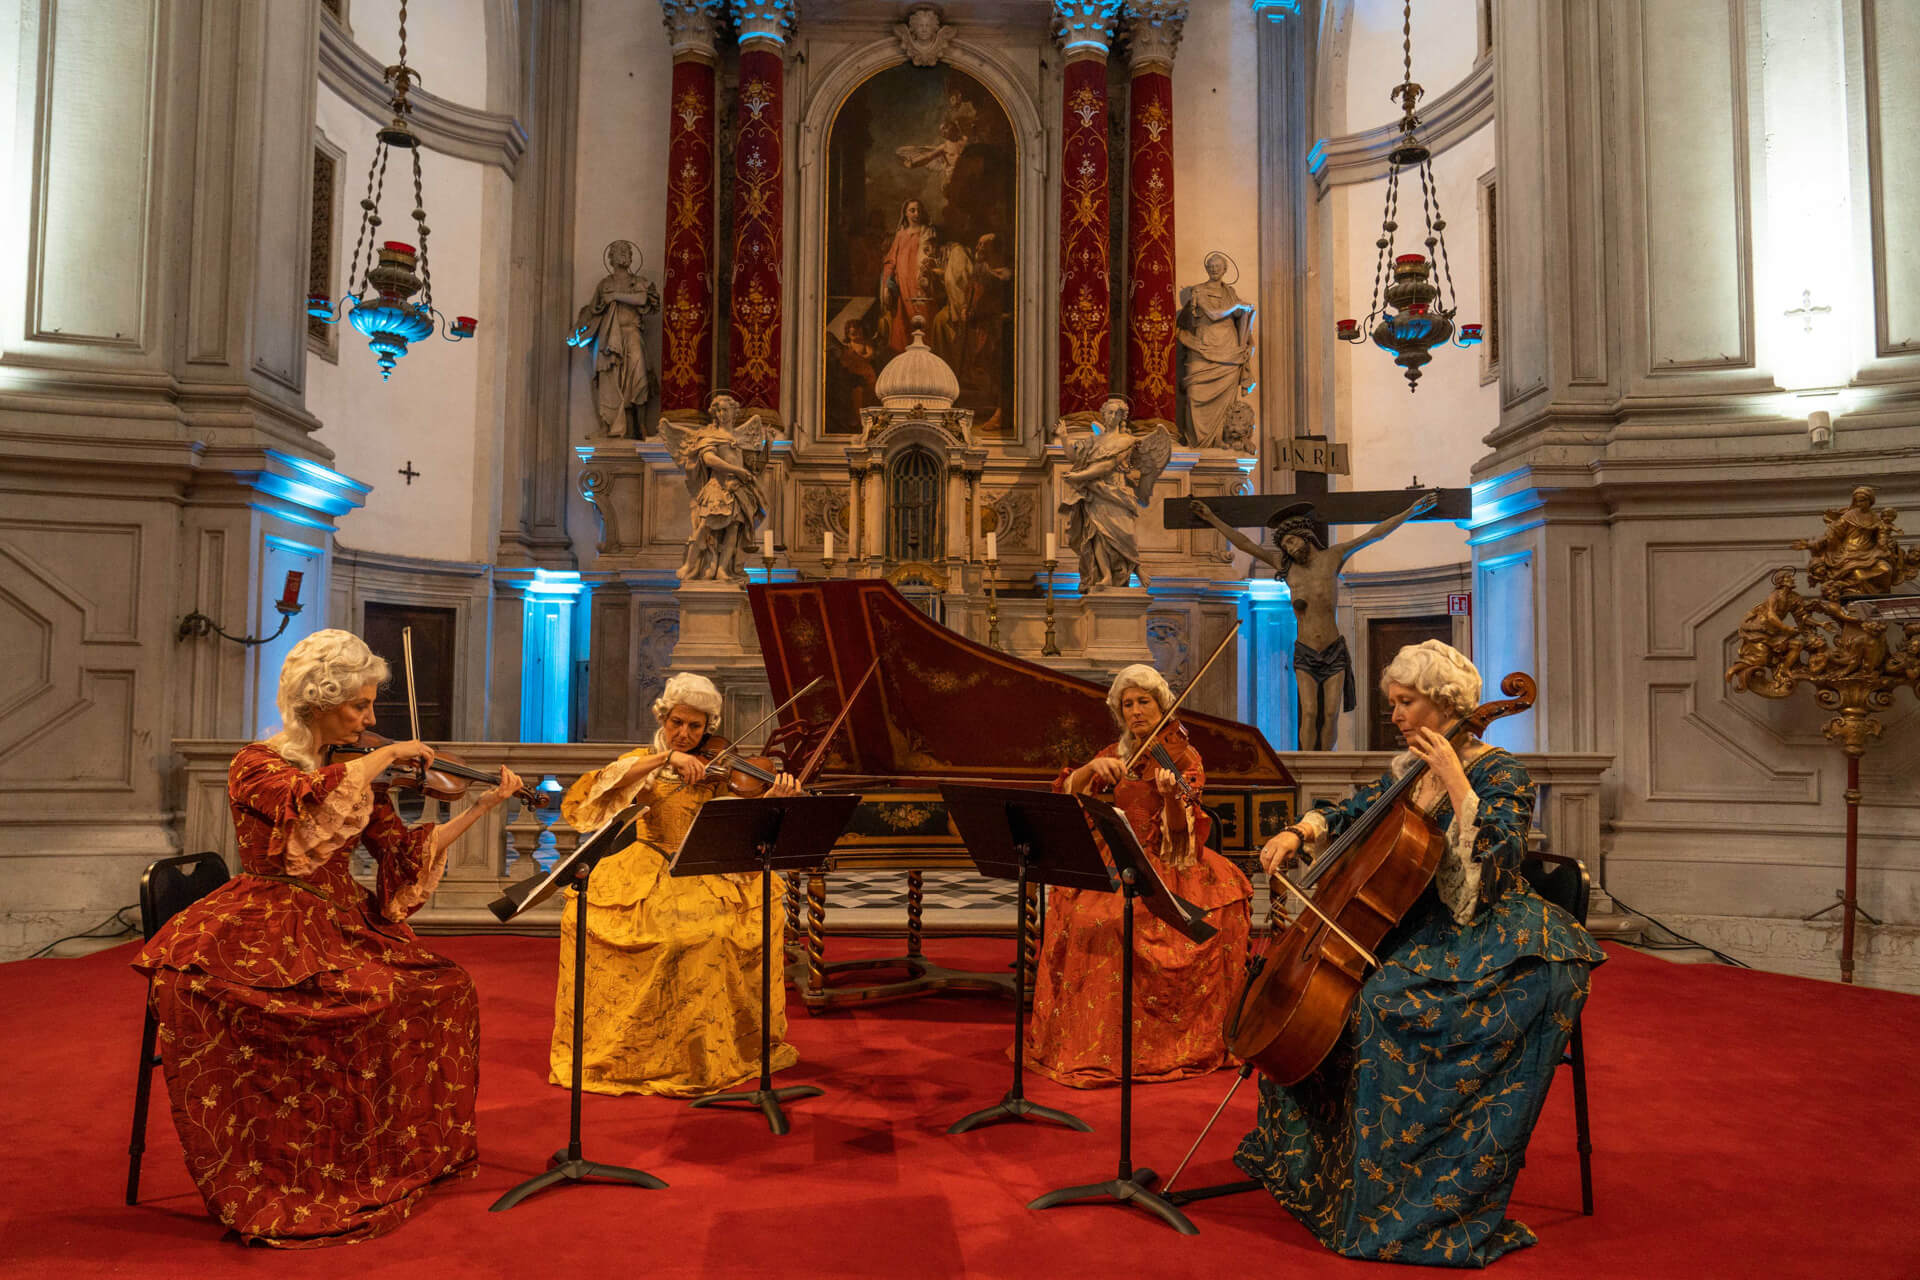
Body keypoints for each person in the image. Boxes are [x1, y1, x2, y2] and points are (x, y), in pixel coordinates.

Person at [132, 629, 524, 1247]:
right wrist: (384, 757)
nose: (371, 722)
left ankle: (389, 1152)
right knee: (364, 1003)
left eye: (371, 707)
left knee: (445, 987)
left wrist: (482, 806)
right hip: (271, 919)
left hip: (340, 919)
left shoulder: (356, 772)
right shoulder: (257, 765)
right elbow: (304, 798)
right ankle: (313, 1161)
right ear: (318, 702)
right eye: (359, 707)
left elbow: (400, 852)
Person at [1234, 641, 1606, 1267]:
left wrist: (1458, 782)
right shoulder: (1408, 768)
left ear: (1446, 703)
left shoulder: (1501, 771)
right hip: (1424, 923)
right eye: (1394, 703)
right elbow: (1355, 808)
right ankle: (1325, 1176)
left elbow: (1501, 857)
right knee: (1330, 1003)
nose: (1396, 715)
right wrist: (1301, 830)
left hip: (1497, 934)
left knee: (1378, 1008)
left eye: (1406, 702)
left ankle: (1402, 1202)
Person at [551, 672, 801, 1097]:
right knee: (604, 924)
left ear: (708, 728)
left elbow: (747, 827)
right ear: (663, 719)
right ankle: (638, 1051)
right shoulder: (643, 761)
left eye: (695, 726)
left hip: (704, 868)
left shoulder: (719, 768)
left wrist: (776, 798)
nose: (684, 734)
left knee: (716, 933)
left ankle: (708, 1053)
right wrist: (666, 758)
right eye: (677, 723)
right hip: (647, 867)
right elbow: (593, 794)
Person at [1024, 664, 1253, 1087]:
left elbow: (1181, 836)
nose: (1135, 711)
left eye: (1143, 702)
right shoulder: (1116, 752)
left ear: (1162, 705)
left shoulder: (1183, 757)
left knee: (1126, 923)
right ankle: (1088, 1039)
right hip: (1118, 854)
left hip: (1167, 861)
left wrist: (1170, 798)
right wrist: (1092, 768)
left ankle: (1154, 1042)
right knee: (1081, 914)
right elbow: (1068, 793)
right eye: (1127, 704)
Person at [1191, 491, 1437, 749]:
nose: (1290, 548)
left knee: (1330, 713)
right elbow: (1244, 544)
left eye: (1292, 541)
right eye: (1285, 546)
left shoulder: (1333, 557)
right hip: (1305, 651)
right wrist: (1211, 518)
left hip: (1333, 650)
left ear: (1305, 536)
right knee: (1308, 712)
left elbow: (1374, 534)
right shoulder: (1285, 566)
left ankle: (1327, 765)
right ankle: (1306, 765)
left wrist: (1411, 511)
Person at [1060, 396, 1173, 591]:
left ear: (1122, 417)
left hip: (1116, 492)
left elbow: (1107, 465)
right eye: (1109, 413)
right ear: (1103, 415)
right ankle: (1105, 575)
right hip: (1095, 491)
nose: (1112, 416)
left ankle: (1136, 567)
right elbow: (1074, 457)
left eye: (1117, 413)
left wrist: (1079, 476)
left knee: (1125, 534)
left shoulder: (1126, 441)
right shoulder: (1093, 440)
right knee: (1097, 534)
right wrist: (1063, 437)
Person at [568, 239, 658, 439]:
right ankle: (609, 425)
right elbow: (592, 311)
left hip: (632, 334)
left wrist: (616, 296)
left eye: (627, 251)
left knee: (639, 378)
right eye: (620, 251)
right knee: (610, 381)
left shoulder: (638, 282)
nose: (625, 254)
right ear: (611, 258)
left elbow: (642, 299)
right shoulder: (604, 285)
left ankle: (641, 425)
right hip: (609, 338)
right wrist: (575, 330)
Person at [1176, 251, 1256, 447]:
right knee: (1194, 393)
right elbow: (1212, 314)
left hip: (1228, 349)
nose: (1214, 269)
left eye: (1217, 266)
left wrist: (1250, 344)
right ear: (1206, 268)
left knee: (1226, 402)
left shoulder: (1230, 292)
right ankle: (1198, 442)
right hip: (1202, 346)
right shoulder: (1199, 290)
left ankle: (1219, 438)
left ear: (1225, 269)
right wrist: (1236, 306)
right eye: (1210, 266)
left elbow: (1240, 320)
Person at [878, 198, 939, 355]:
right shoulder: (900, 235)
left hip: (920, 283)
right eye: (912, 210)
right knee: (903, 323)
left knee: (923, 317)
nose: (916, 213)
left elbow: (932, 255)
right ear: (905, 213)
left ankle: (926, 356)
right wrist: (886, 283)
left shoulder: (927, 232)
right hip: (902, 284)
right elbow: (891, 260)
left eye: (918, 210)